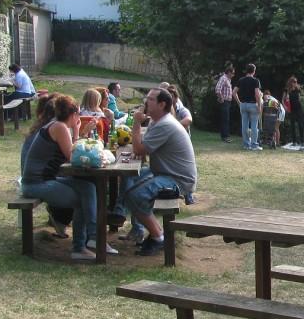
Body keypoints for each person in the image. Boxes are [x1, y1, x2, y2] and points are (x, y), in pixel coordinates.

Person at [112, 88, 198, 256]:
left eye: (150, 99)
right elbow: (141, 149)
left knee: (135, 195)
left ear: (162, 104)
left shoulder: (165, 124)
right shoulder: (157, 121)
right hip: (164, 173)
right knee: (130, 181)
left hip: (177, 180)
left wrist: (136, 123)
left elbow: (139, 149)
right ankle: (138, 227)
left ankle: (158, 237)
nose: (146, 102)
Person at [19, 94, 100, 261]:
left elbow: (72, 153)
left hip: (46, 179)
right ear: (73, 114)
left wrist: (78, 132)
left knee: (88, 187)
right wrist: (78, 131)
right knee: (82, 198)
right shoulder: (59, 127)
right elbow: (73, 157)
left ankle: (89, 239)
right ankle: (85, 243)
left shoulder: (57, 125)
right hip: (36, 184)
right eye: (78, 114)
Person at [233, 63, 263, 150]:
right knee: (254, 126)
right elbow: (257, 94)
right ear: (254, 71)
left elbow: (234, 92)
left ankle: (246, 144)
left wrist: (239, 103)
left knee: (244, 126)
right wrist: (259, 105)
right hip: (253, 104)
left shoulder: (241, 80)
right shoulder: (255, 81)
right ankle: (254, 145)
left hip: (243, 105)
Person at [215, 63, 235, 142]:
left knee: (225, 119)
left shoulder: (228, 79)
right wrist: (221, 98)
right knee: (225, 119)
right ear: (229, 72)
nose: (233, 75)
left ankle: (224, 135)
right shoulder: (223, 78)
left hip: (227, 102)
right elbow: (217, 89)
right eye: (233, 73)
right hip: (225, 102)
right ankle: (225, 137)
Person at [284, 75, 304, 146]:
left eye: (296, 82)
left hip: (298, 108)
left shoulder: (298, 89)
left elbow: (300, 98)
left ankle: (302, 141)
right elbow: (284, 100)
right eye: (294, 82)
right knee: (292, 125)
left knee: (300, 125)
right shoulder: (287, 90)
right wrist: (285, 107)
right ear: (290, 82)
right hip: (291, 109)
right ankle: (294, 141)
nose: (295, 83)